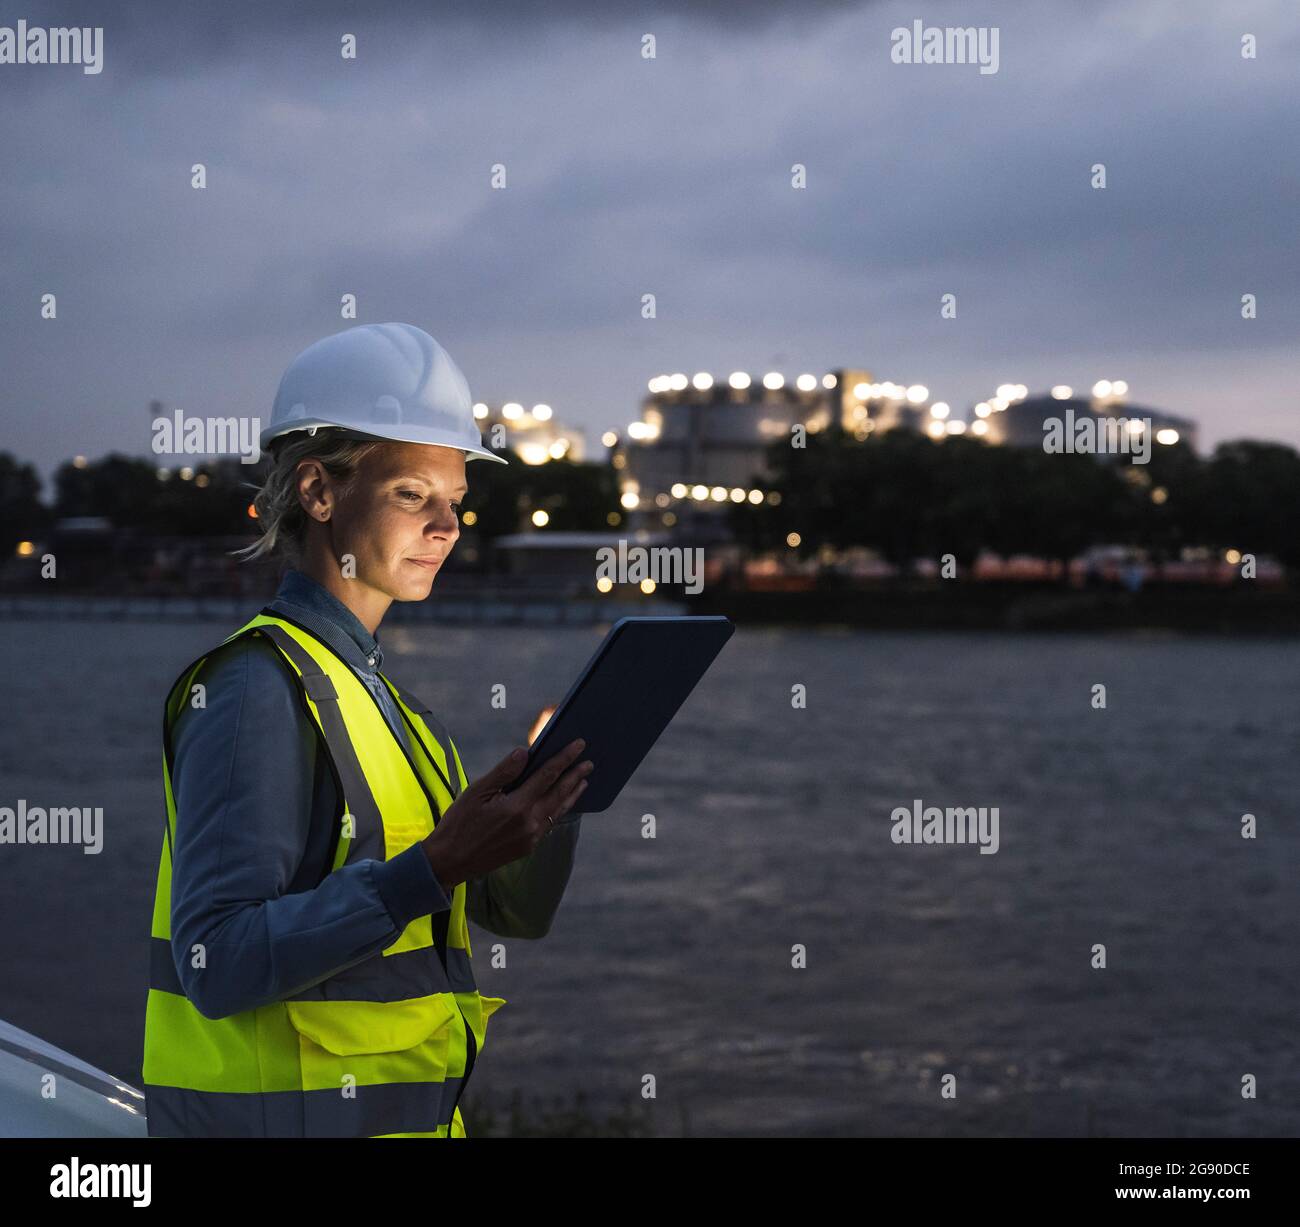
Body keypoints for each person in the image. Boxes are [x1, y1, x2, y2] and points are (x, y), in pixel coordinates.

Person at [142, 322, 592, 1138]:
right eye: (413, 494)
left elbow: (511, 912)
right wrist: (432, 866)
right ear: (318, 493)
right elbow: (217, 958)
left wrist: (552, 809)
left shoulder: (396, 709)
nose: (448, 527)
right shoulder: (254, 688)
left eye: (456, 502)